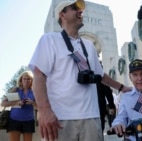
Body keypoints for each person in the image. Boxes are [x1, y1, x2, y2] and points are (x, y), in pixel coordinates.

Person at [28, 0, 131, 141]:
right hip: (61, 119)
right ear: (62, 14)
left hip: (91, 117)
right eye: (74, 8)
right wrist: (44, 111)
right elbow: (39, 76)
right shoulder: (49, 40)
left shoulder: (89, 46)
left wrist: (122, 87)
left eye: (81, 8)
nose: (80, 11)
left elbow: (100, 76)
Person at [1, 70, 37, 141]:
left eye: (28, 79)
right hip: (14, 120)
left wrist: (32, 102)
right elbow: (3, 103)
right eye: (24, 78)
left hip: (28, 121)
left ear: (32, 81)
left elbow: (40, 106)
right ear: (21, 80)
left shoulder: (34, 92)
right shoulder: (15, 89)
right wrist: (16, 103)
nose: (26, 81)